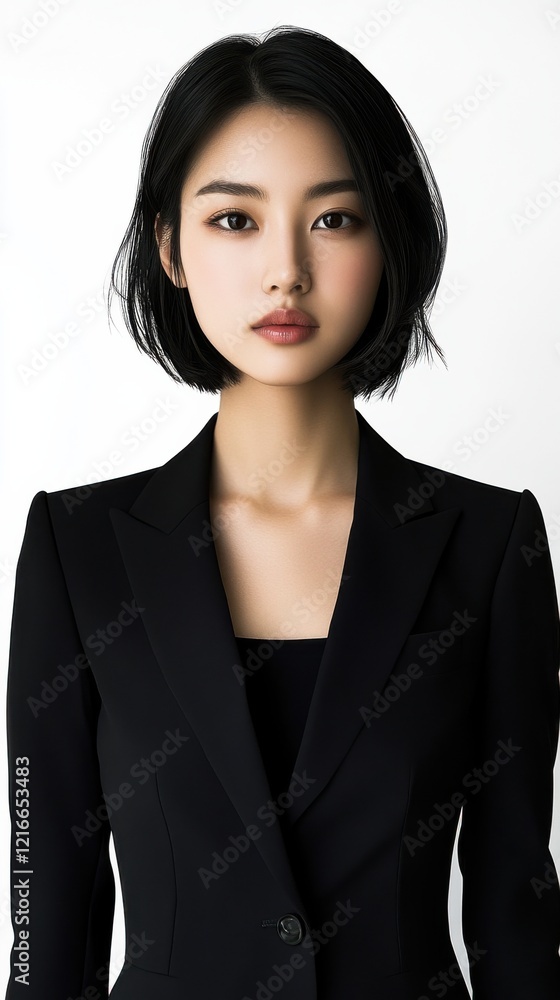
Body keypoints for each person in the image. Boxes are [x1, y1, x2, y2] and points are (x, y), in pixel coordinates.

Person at [4, 24, 560, 1000]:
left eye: (334, 219)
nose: (285, 271)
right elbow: (45, 921)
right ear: (168, 246)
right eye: (234, 221)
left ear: (388, 242)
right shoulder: (77, 550)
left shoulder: (486, 544)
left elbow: (515, 915)